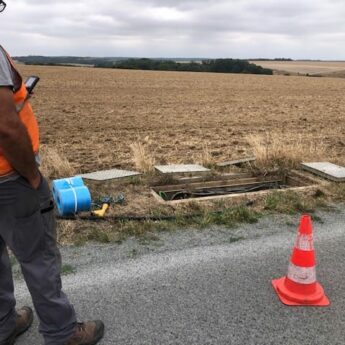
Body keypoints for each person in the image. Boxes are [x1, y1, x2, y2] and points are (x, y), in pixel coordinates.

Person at [0, 1, 104, 344]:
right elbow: (6, 129)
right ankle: (62, 333)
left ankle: (3, 324)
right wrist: (31, 175)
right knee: (38, 256)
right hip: (9, 179)